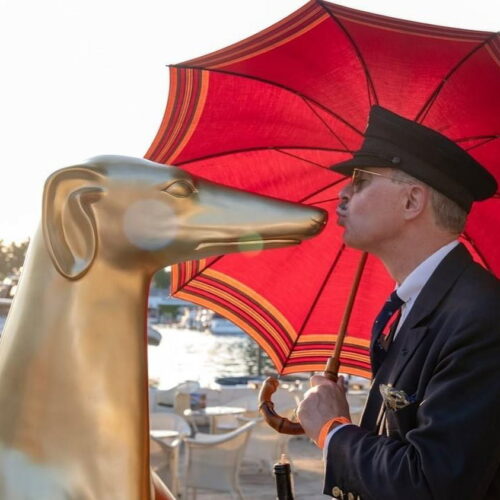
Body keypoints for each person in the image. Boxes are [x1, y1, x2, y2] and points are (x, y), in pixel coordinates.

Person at [297, 105, 500, 500]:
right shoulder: (412, 305)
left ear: (412, 202)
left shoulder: (481, 317)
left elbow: (429, 484)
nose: (343, 193)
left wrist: (333, 431)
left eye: (360, 180)